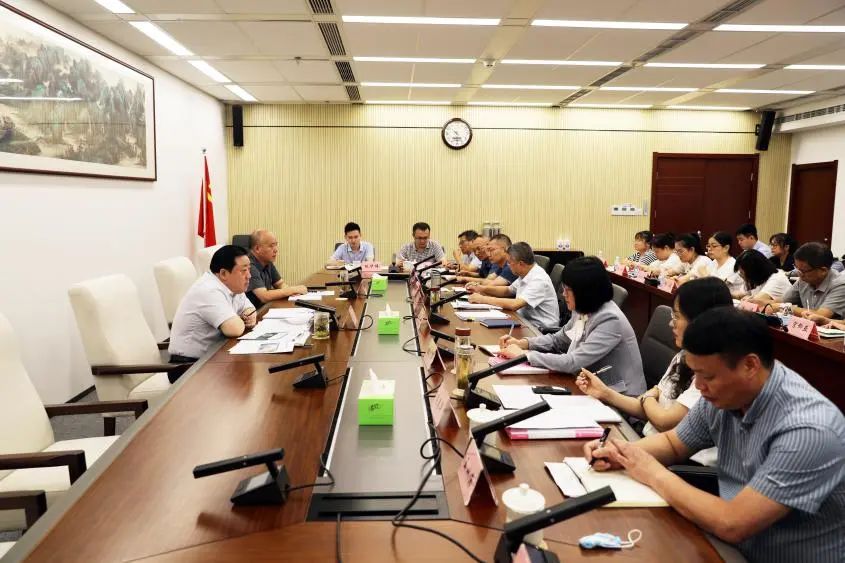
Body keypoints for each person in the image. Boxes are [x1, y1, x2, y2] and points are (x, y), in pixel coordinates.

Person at [584, 307, 845, 563]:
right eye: (695, 373)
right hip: (728, 545)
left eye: (706, 376)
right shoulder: (727, 392)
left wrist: (651, 472)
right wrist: (620, 452)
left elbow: (733, 523)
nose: (698, 386)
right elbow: (673, 444)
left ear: (750, 365)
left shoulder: (809, 430)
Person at [576, 277, 732, 466]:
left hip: (683, 466)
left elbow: (664, 421)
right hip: (650, 445)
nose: (671, 323)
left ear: (701, 321)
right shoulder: (684, 356)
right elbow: (660, 427)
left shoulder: (716, 374)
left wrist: (648, 397)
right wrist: (605, 393)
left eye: (677, 316)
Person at [499, 256, 646, 396]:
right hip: (587, 384)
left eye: (568, 290)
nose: (563, 294)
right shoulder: (583, 308)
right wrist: (524, 343)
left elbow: (573, 362)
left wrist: (525, 356)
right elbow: (559, 339)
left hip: (618, 395)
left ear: (585, 292)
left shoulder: (610, 319)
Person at [168, 245, 257, 364]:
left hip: (213, 356)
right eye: (244, 271)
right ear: (223, 273)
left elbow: (249, 308)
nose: (249, 276)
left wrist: (248, 316)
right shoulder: (208, 290)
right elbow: (234, 329)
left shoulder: (232, 285)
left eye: (249, 269)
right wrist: (243, 319)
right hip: (188, 366)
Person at [467, 242, 559, 327]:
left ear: (521, 264)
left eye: (509, 263)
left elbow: (515, 304)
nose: (508, 265)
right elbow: (508, 290)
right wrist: (481, 288)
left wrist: (482, 299)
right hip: (524, 321)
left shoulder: (539, 279)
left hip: (540, 330)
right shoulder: (525, 273)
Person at [773, 242, 845, 320]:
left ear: (823, 270)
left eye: (803, 271)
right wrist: (768, 303)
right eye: (797, 269)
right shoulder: (803, 279)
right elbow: (780, 302)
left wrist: (787, 308)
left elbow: (820, 316)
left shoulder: (840, 284)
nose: (800, 274)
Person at [246, 230, 307, 308]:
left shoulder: (267, 261)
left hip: (266, 308)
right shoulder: (248, 266)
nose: (276, 250)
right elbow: (264, 296)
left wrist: (292, 293)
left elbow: (280, 284)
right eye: (271, 246)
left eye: (276, 245)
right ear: (257, 248)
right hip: (254, 312)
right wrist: (292, 290)